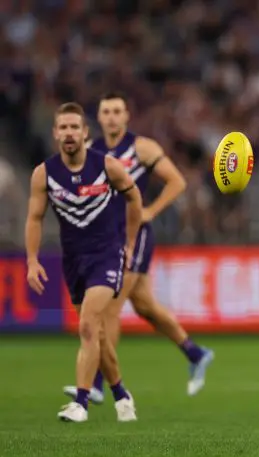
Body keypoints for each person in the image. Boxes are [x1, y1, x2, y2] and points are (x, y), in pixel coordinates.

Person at [62, 92, 215, 404]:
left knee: (110, 307)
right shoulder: (92, 152)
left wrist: (150, 212)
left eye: (118, 111)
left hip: (135, 235)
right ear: (99, 117)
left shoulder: (141, 148)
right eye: (106, 111)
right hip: (107, 237)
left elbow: (177, 182)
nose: (112, 117)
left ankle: (97, 382)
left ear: (126, 115)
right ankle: (196, 353)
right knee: (144, 305)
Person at [26, 102, 141, 422]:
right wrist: (32, 260)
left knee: (88, 324)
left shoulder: (107, 166)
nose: (69, 133)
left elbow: (134, 198)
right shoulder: (44, 174)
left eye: (74, 127)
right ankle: (121, 393)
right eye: (63, 127)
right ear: (54, 134)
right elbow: (34, 218)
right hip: (73, 262)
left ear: (85, 133)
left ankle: (81, 401)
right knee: (97, 336)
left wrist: (130, 243)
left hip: (107, 255)